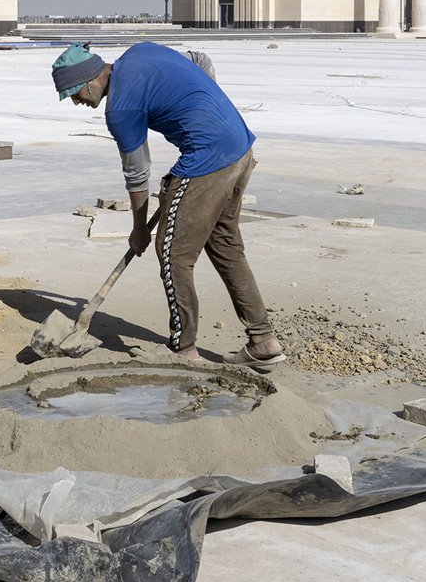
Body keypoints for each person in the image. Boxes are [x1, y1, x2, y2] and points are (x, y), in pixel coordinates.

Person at [51, 42, 284, 366]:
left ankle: (182, 348)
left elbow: (137, 174)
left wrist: (138, 229)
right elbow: (201, 60)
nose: (76, 102)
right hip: (240, 148)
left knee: (174, 252)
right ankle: (263, 341)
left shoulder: (120, 108)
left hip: (209, 160)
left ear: (90, 80)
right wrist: (207, 110)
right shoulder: (141, 52)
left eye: (74, 93)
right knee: (225, 245)